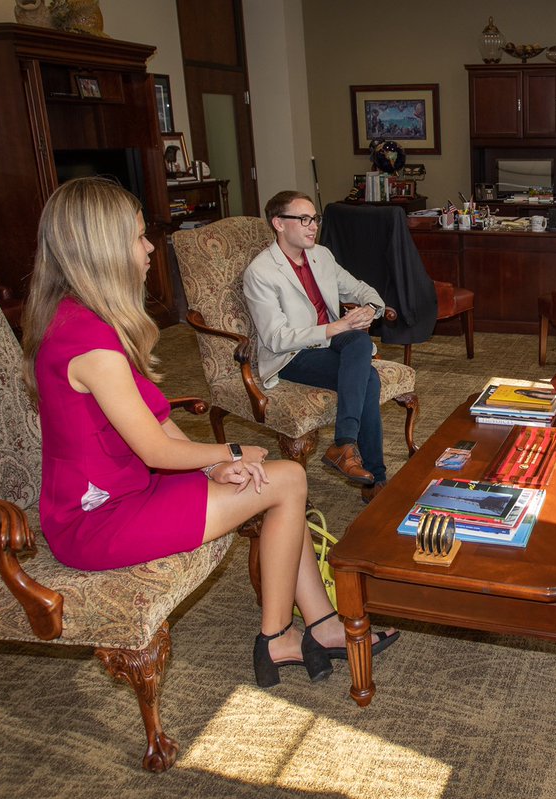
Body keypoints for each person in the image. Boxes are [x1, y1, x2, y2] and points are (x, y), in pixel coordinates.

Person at [22, 178, 396, 688]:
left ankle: (322, 624)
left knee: (279, 481)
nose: (149, 247)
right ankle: (277, 636)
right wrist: (231, 449)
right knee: (284, 479)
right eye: (138, 237)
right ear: (102, 248)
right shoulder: (89, 342)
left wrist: (216, 464)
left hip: (131, 487)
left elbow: (157, 422)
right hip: (99, 518)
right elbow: (155, 448)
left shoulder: (83, 320)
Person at [244, 190, 389, 501]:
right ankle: (375, 479)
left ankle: (344, 447)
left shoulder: (321, 255)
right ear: (278, 223)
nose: (313, 226)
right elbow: (276, 338)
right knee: (369, 376)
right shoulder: (261, 272)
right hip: (292, 355)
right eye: (304, 219)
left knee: (359, 341)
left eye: (315, 219)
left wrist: (371, 309)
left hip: (333, 342)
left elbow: (361, 289)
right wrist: (334, 327)